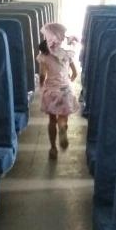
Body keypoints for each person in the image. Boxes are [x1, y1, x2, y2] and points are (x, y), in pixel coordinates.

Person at [36, 23, 79, 160]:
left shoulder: (44, 56)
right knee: (62, 117)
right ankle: (62, 127)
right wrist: (69, 80)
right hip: (65, 90)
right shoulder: (66, 54)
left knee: (51, 120)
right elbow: (75, 73)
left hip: (51, 92)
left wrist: (41, 85)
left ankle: (53, 148)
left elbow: (42, 75)